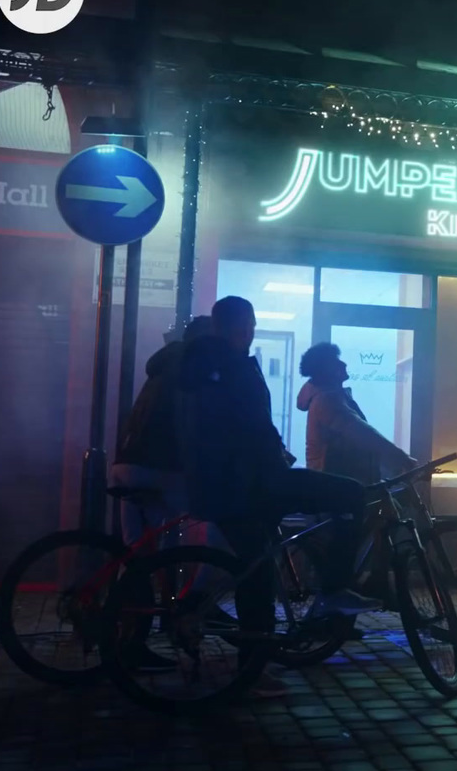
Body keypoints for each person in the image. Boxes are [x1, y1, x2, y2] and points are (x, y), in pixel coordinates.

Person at [176, 296, 380, 697]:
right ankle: (333, 589)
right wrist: (277, 460)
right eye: (249, 325)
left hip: (226, 483)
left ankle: (248, 664)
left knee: (257, 567)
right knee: (351, 495)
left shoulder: (200, 366)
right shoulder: (231, 366)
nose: (250, 333)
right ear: (243, 325)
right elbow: (250, 426)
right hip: (251, 483)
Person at [110, 314, 213, 673]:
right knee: (217, 522)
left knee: (142, 556)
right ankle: (194, 606)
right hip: (157, 470)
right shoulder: (190, 367)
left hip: (128, 464)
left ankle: (134, 633)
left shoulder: (164, 364)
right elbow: (193, 428)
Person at [295, 342, 416, 486]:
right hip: (336, 489)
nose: (344, 364)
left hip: (339, 484)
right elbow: (362, 433)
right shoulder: (327, 402)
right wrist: (402, 460)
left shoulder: (330, 398)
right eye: (336, 361)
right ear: (327, 370)